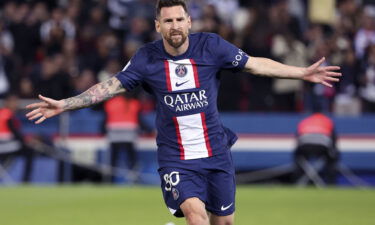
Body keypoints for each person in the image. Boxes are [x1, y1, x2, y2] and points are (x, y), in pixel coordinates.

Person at [26, 0, 341, 224]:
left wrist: (301, 73)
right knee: (195, 215)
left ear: (189, 21)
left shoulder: (212, 46)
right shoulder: (145, 59)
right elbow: (109, 86)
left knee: (225, 222)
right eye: (168, 21)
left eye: (180, 20)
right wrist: (65, 104)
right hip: (176, 156)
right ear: (158, 25)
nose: (175, 26)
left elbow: (256, 64)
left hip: (215, 151)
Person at [294, 110, 339, 185]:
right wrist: (334, 154)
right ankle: (331, 182)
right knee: (331, 160)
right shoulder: (327, 121)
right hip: (322, 147)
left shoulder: (305, 121)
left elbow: (298, 138)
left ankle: (298, 180)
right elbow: (333, 140)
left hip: (305, 146)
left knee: (298, 158)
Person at [0, 94, 34, 183]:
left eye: (16, 102)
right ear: (7, 103)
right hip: (5, 145)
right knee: (29, 152)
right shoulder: (7, 114)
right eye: (13, 102)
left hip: (6, 144)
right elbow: (15, 132)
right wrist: (26, 141)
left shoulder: (3, 113)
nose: (15, 104)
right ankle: (26, 181)